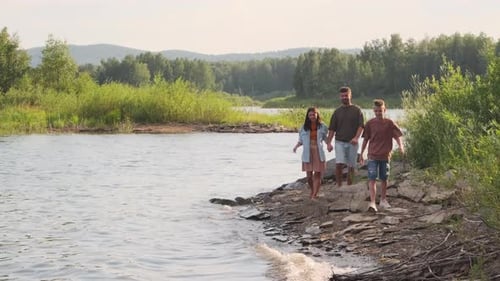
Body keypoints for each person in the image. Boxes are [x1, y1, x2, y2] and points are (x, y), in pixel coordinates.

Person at [360, 99, 404, 212]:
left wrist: (401, 147)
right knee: (372, 178)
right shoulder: (370, 124)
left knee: (384, 178)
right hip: (372, 155)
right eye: (376, 111)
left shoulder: (389, 123)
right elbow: (365, 139)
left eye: (381, 111)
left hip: (385, 155)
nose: (379, 113)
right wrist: (362, 153)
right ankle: (373, 202)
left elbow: (397, 136)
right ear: (373, 111)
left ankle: (383, 200)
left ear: (385, 109)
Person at [326, 86, 364, 187]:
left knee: (351, 165)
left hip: (352, 142)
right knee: (339, 164)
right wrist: (329, 143)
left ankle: (349, 185)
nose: (344, 98)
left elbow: (361, 126)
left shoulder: (357, 110)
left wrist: (356, 137)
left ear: (350, 96)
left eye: (346, 95)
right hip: (339, 142)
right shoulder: (337, 112)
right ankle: (339, 186)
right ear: (340, 97)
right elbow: (332, 129)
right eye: (342, 96)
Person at [293, 107, 329, 199]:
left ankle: (314, 194)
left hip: (318, 151)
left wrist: (329, 145)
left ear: (317, 115)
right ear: (307, 116)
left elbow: (325, 138)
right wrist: (296, 146)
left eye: (314, 114)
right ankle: (312, 190)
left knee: (317, 174)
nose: (312, 116)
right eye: (310, 115)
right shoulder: (303, 127)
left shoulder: (323, 126)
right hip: (307, 153)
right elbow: (301, 140)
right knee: (309, 176)